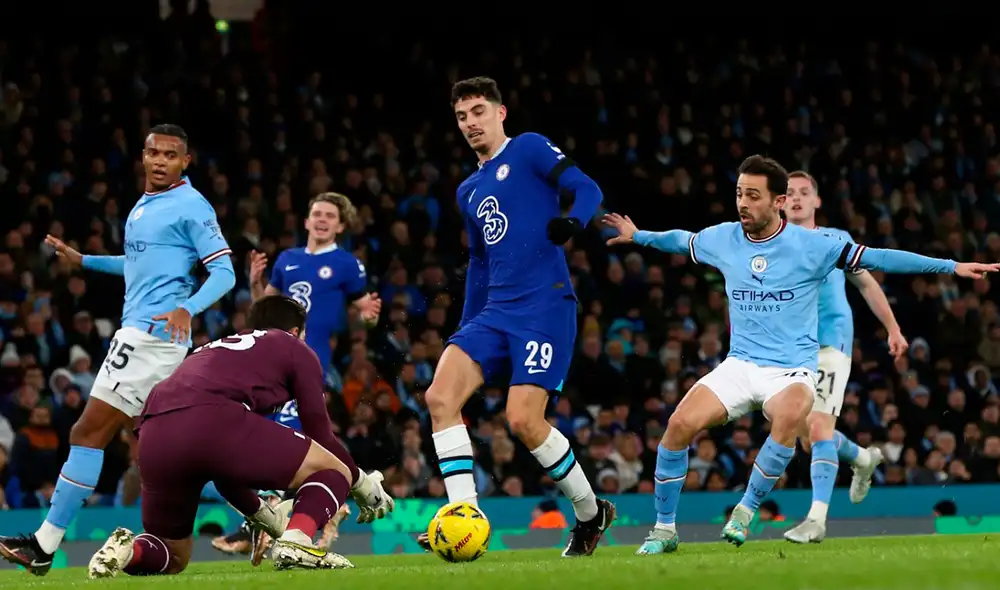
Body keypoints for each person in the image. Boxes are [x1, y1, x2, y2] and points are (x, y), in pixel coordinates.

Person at [601, 154, 997, 554]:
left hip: (791, 370)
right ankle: (665, 529)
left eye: (753, 196)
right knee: (677, 425)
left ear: (777, 201)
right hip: (739, 364)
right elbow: (679, 239)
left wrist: (951, 266)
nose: (742, 203)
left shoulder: (816, 246)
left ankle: (746, 510)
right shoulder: (721, 238)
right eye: (739, 193)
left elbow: (880, 258)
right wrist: (638, 236)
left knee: (794, 416)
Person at [0, 124, 237, 576]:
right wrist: (84, 260)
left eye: (171, 155)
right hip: (149, 338)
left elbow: (224, 272)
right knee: (168, 445)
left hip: (149, 338)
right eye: (154, 153)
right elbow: (140, 264)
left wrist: (187, 308)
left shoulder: (190, 204)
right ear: (143, 156)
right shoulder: (147, 205)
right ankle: (265, 511)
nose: (161, 161)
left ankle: (44, 545)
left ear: (185, 162)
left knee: (88, 434)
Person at [416, 76, 613, 557]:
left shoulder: (526, 149)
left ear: (500, 113)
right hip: (494, 311)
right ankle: (464, 514)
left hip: (545, 305)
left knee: (523, 421)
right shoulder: (468, 189)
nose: (470, 123)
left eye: (479, 111)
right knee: (440, 396)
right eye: (462, 116)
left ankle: (591, 514)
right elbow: (480, 263)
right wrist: (467, 325)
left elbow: (585, 186)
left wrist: (575, 221)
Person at [87, 295, 394, 578]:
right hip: (209, 417)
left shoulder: (213, 350)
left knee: (173, 552)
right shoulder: (293, 346)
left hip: (153, 432)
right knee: (332, 469)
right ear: (296, 330)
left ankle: (129, 551)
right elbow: (321, 436)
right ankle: (298, 541)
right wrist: (362, 483)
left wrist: (264, 516)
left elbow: (223, 468)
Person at [782, 171, 904, 543]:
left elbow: (866, 283)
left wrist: (893, 328)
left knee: (818, 429)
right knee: (809, 438)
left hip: (831, 343)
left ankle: (816, 520)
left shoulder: (836, 240)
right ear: (779, 203)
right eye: (789, 194)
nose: (797, 198)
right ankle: (864, 460)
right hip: (789, 349)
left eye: (805, 192)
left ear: (817, 202)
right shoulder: (770, 246)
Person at [249, 192, 380, 377]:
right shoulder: (287, 258)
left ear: (340, 226)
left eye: (330, 216)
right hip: (277, 353)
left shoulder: (347, 264)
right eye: (317, 214)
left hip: (314, 358)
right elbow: (262, 310)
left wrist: (368, 319)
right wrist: (255, 282)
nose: (322, 220)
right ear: (307, 222)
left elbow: (368, 316)